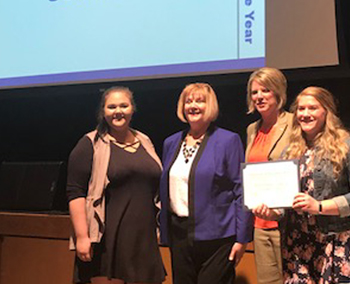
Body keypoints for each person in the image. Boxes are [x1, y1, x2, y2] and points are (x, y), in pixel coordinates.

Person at [254, 86, 350, 284]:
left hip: (336, 244)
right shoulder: (290, 152)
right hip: (297, 247)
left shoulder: (348, 146)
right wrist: (273, 213)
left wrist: (319, 207)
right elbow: (287, 202)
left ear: (326, 111)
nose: (305, 114)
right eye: (301, 109)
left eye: (312, 108)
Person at [67, 86, 166, 284]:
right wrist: (82, 237)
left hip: (143, 240)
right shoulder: (90, 143)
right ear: (103, 112)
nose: (118, 111)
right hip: (108, 240)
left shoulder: (145, 141)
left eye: (124, 105)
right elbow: (75, 192)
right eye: (111, 107)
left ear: (132, 109)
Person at [159, 82, 252, 284]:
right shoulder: (171, 142)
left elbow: (241, 190)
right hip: (180, 237)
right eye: (188, 101)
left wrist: (242, 238)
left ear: (210, 106)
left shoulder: (228, 140)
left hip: (218, 239)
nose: (193, 106)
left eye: (200, 101)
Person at [245, 68, 292, 284]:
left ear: (278, 92)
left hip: (288, 224)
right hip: (260, 224)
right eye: (254, 92)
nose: (259, 97)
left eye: (266, 90)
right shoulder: (252, 130)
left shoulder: (295, 124)